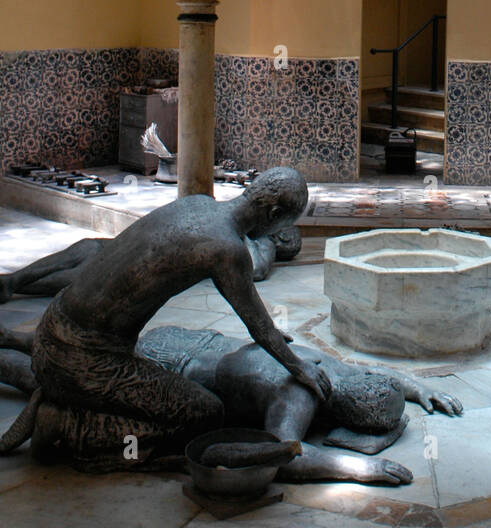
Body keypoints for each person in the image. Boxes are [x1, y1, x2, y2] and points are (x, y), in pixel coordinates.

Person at [1, 167, 329, 472]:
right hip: (84, 362)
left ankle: (58, 392)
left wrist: (272, 335)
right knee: (203, 412)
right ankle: (71, 429)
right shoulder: (227, 249)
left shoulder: (198, 203)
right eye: (282, 225)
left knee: (151, 377)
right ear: (273, 216)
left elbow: (262, 326)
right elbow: (259, 328)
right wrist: (300, 367)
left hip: (51, 330)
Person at [0, 322, 463, 486]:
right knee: (61, 379)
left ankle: (12, 339)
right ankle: (10, 362)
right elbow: (286, 456)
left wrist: (416, 388)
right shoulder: (296, 394)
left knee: (77, 361)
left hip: (186, 341)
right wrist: (358, 470)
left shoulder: (320, 364)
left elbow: (373, 378)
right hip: (174, 372)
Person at [0, 221, 301, 303]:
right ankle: (14, 279)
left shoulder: (264, 243)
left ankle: (16, 287)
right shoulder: (251, 225)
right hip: (157, 239)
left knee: (91, 275)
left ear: (283, 238)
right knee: (89, 247)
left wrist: (242, 235)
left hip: (162, 259)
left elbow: (258, 270)